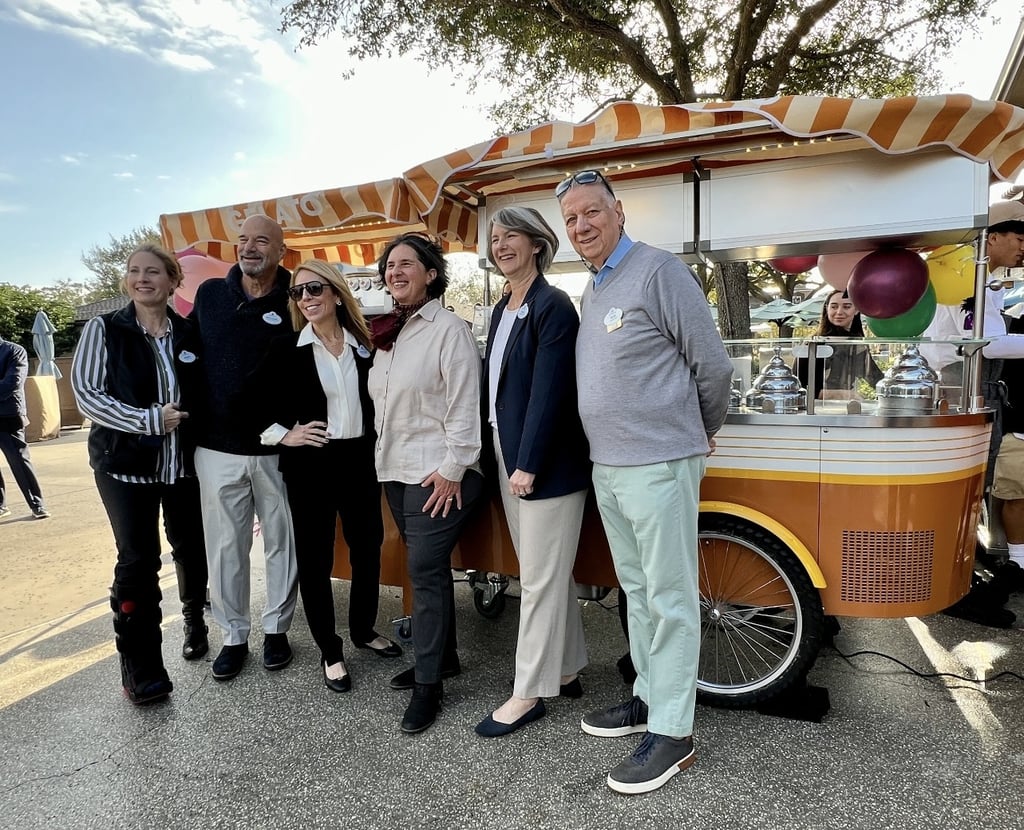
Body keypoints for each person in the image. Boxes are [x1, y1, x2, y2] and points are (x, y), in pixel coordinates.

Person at [557, 170, 733, 794]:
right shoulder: (596, 286)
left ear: (619, 211)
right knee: (637, 591)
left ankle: (674, 732)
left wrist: (697, 431)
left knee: (669, 597)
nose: (582, 225)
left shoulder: (659, 271)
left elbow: (712, 366)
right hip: (609, 465)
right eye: (572, 218)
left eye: (592, 212)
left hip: (658, 463)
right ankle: (648, 697)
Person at [250, 260, 401, 694]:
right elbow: (247, 404)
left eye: (314, 288)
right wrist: (285, 434)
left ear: (336, 293)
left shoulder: (365, 344)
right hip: (311, 464)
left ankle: (363, 630)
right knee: (315, 560)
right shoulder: (286, 347)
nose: (306, 298)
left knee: (367, 550)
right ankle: (330, 650)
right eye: (298, 292)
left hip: (359, 461)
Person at [71, 244, 209, 704]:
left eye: (153, 272)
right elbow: (88, 394)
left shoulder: (189, 332)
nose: (142, 279)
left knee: (191, 546)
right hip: (124, 467)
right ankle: (142, 668)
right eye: (134, 271)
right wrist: (148, 420)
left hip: (182, 465)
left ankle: (194, 619)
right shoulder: (105, 329)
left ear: (173, 281)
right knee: (138, 560)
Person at [474, 207, 591, 738]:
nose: (500, 246)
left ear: (537, 244)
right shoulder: (504, 307)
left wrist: (528, 463)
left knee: (538, 580)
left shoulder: (553, 304)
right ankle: (565, 668)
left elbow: (551, 391)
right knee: (546, 571)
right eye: (495, 239)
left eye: (510, 237)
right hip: (508, 452)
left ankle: (528, 692)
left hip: (541, 464)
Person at [368, 232, 484, 734]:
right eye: (390, 266)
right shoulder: (388, 334)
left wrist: (454, 468)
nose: (395, 272)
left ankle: (429, 685)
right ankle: (445, 658)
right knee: (424, 571)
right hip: (395, 471)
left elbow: (464, 404)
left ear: (431, 273)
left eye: (406, 264)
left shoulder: (449, 330)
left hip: (439, 472)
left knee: (425, 571)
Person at [190, 214, 299, 681]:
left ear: (281, 251)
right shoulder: (211, 295)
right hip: (217, 448)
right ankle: (233, 636)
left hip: (281, 449)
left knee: (282, 544)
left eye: (261, 241)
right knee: (225, 548)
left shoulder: (299, 295)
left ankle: (277, 631)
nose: (249, 248)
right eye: (243, 240)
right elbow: (185, 353)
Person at [925, 197, 1024, 627]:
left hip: (974, 387)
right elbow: (987, 343)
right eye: (1019, 237)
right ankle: (951, 586)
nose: (1023, 247)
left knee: (971, 491)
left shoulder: (978, 278)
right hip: (964, 387)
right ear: (993, 236)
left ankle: (962, 576)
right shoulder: (967, 277)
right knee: (962, 491)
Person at [795, 289, 883, 399]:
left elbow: (874, 377)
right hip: (816, 407)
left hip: (846, 407)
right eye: (834, 307)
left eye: (846, 307)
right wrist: (843, 394)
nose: (839, 312)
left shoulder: (857, 345)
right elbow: (798, 388)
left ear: (856, 310)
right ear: (827, 309)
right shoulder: (812, 344)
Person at [0, 334, 49, 520]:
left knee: (19, 461)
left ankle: (37, 504)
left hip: (8, 417)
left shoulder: (14, 351)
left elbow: (12, 383)